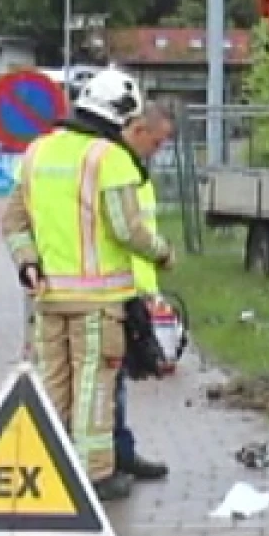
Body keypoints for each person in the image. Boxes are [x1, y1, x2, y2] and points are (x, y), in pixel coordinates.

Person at [2, 68, 175, 501]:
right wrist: (162, 251)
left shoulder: (37, 151)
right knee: (93, 386)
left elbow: (14, 221)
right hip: (97, 300)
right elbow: (125, 228)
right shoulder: (108, 157)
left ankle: (49, 468)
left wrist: (27, 262)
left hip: (47, 298)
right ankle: (95, 477)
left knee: (53, 385)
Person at [111, 100, 176, 483]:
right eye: (157, 142)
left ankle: (120, 453)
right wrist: (164, 256)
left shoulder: (132, 170)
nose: (159, 151)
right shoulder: (116, 169)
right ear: (138, 131)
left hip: (130, 288)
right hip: (112, 289)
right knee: (109, 382)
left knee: (115, 381)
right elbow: (128, 233)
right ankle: (114, 459)